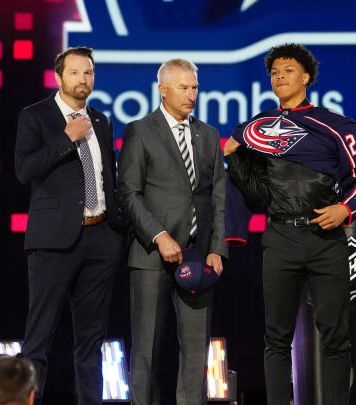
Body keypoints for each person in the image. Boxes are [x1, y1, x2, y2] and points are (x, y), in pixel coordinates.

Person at [224, 43, 356, 405]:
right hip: (278, 237)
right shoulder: (253, 128)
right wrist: (231, 155)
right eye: (274, 71)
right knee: (276, 338)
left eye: (288, 69)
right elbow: (244, 180)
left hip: (326, 238)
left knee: (335, 338)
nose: (279, 75)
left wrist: (345, 209)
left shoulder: (336, 124)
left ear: (305, 77)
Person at [14, 46, 125, 405]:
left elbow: (110, 177)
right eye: (75, 72)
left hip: (101, 238)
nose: (83, 79)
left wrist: (116, 228)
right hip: (53, 242)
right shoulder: (35, 117)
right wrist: (67, 137)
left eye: (89, 72)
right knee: (39, 338)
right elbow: (24, 170)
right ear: (58, 77)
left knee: (91, 341)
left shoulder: (103, 121)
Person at [118, 58, 227, 405]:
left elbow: (218, 195)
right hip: (151, 255)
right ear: (162, 90)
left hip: (198, 256)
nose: (191, 94)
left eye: (194, 87)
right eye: (183, 87)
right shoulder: (140, 130)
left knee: (196, 351)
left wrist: (217, 248)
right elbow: (129, 193)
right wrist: (158, 235)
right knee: (147, 347)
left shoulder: (208, 134)